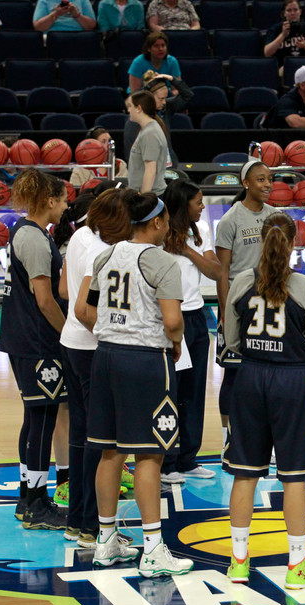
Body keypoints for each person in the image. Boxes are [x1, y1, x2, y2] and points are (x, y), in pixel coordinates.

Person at [82, 189, 193, 577]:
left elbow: (87, 309)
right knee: (149, 455)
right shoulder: (162, 262)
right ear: (157, 222)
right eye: (167, 222)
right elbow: (173, 321)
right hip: (145, 361)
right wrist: (176, 342)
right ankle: (153, 549)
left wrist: (114, 329)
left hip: (105, 357)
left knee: (110, 451)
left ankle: (105, 540)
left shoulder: (105, 255)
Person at [222, 213, 305, 589]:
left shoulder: (240, 282)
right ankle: (296, 567)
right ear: (294, 243)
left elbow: (231, 341)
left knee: (245, 473)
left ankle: (238, 562)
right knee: (294, 477)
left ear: (260, 240)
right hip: (292, 382)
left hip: (249, 378)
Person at [0, 168, 69, 531]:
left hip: (23, 338)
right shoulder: (36, 240)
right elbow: (44, 300)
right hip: (38, 343)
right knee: (42, 420)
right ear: (50, 200)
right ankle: (37, 504)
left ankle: (27, 499)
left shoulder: (24, 231)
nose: (66, 206)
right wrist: (67, 331)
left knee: (34, 418)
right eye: (63, 200)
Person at [60, 184, 129, 548]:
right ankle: (91, 526)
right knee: (98, 440)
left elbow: (64, 289)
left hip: (71, 343)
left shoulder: (79, 236)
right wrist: (111, 335)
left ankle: (76, 522)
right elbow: (83, 308)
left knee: (79, 437)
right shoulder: (102, 251)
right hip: (89, 348)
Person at [160, 179, 221, 484]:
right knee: (169, 392)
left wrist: (185, 249)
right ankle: (165, 462)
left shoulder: (201, 230)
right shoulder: (157, 232)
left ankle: (187, 459)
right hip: (167, 316)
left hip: (195, 317)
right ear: (182, 205)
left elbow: (215, 271)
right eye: (198, 202)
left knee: (194, 393)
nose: (202, 206)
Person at [214, 160, 279, 444]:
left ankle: (266, 436)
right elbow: (222, 272)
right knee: (234, 373)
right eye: (261, 179)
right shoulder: (230, 220)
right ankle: (228, 437)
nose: (267, 184)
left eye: (269, 179)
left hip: (271, 303)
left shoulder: (276, 216)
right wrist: (226, 312)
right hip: (240, 304)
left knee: (270, 373)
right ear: (246, 184)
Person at [124, 71, 191, 165]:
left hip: (169, 166)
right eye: (161, 99)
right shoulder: (136, 120)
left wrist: (171, 79)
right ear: (149, 97)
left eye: (165, 98)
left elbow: (187, 95)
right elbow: (131, 152)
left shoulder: (166, 108)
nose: (164, 102)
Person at [126, 89, 169, 194]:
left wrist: (144, 198)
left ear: (139, 108)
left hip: (152, 195)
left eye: (130, 106)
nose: (128, 110)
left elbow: (150, 170)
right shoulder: (146, 129)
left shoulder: (150, 133)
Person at [264, 0, 305, 70]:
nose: (292, 13)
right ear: (284, 13)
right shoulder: (276, 29)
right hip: (284, 67)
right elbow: (267, 53)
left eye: (295, 10)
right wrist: (282, 35)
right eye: (289, 10)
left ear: (300, 12)